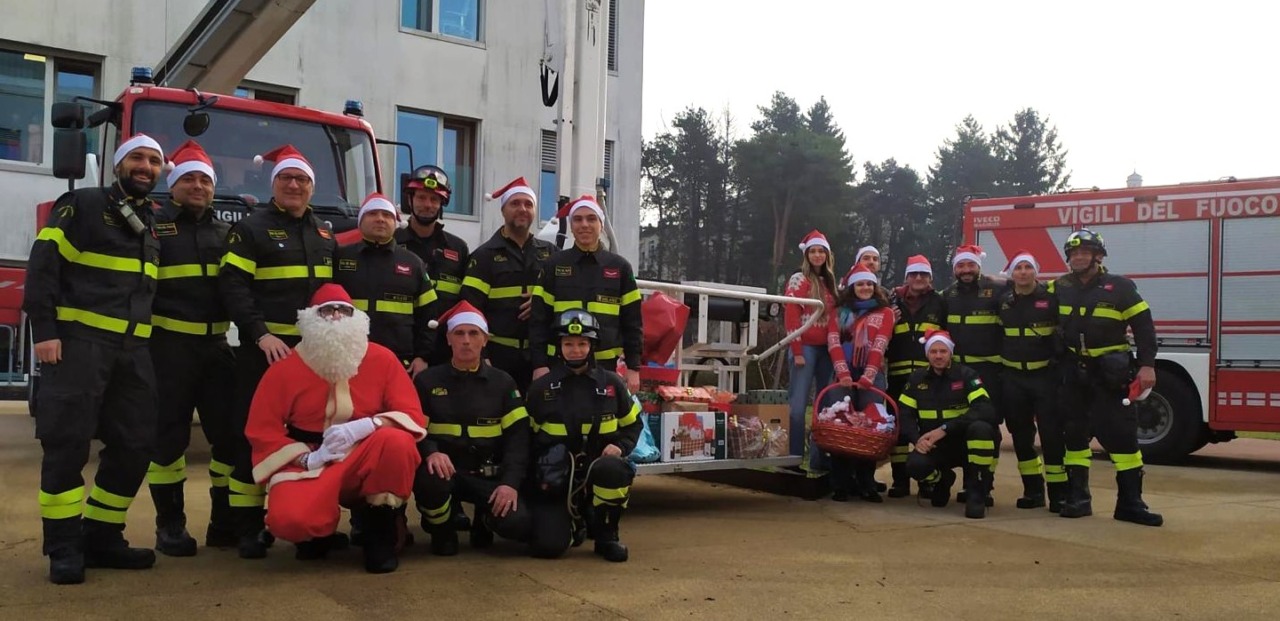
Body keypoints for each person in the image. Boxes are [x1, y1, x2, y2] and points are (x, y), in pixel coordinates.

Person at [24, 134, 165, 584]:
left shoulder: (152, 221)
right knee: (67, 445)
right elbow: (43, 265)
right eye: (137, 158)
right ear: (119, 165)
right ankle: (64, 548)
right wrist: (44, 332)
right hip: (79, 346)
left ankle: (102, 537)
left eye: (155, 161)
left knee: (138, 444)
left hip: (132, 353)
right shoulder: (82, 204)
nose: (146, 166)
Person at [244, 284, 427, 573]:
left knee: (396, 442)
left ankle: (379, 535)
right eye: (327, 310)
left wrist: (368, 425)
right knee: (289, 521)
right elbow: (262, 429)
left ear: (358, 319)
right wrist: (305, 457)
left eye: (344, 310)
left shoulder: (383, 359)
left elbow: (411, 413)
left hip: (365, 453)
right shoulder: (284, 368)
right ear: (310, 320)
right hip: (311, 458)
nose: (337, 316)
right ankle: (317, 534)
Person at [219, 144, 337, 558]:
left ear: (311, 187)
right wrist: (259, 334)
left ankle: (309, 523)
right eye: (286, 178)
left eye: (302, 179)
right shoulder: (250, 229)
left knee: (312, 437)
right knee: (252, 438)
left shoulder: (324, 233)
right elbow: (232, 286)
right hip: (266, 353)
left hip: (312, 357)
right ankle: (247, 529)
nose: (294, 185)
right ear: (275, 185)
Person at [147, 140, 237, 556]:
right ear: (173, 184)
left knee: (228, 439)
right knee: (168, 441)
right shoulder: (151, 226)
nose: (197, 186)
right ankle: (170, 527)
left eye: (204, 179)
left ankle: (224, 523)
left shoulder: (228, 233)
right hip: (169, 349)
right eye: (188, 179)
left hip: (217, 349)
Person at [1050, 229, 1162, 526]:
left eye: (1085, 252)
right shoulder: (1059, 287)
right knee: (1073, 435)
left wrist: (1147, 366)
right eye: (1073, 253)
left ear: (1098, 256)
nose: (1078, 257)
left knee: (1122, 436)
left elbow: (1144, 328)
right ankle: (1078, 499)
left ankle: (1130, 503)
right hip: (1073, 372)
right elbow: (1023, 292)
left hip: (1110, 373)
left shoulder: (1121, 287)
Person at [413, 300, 532, 555]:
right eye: (459, 333)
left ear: (485, 339)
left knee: (518, 525)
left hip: (488, 476)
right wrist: (431, 452)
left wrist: (510, 483)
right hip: (445, 473)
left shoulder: (503, 382)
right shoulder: (427, 381)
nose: (466, 340)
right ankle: (441, 530)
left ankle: (485, 520)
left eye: (473, 333)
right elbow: (415, 431)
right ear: (448, 339)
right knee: (429, 482)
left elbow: (518, 438)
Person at [526, 310, 642, 562]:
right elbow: (527, 436)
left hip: (597, 467)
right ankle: (571, 525)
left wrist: (620, 448)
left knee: (614, 469)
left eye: (582, 343)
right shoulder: (541, 388)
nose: (575, 350)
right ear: (559, 347)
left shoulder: (613, 384)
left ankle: (606, 536)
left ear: (592, 346)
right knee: (548, 547)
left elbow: (633, 425)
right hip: (557, 475)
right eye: (568, 344)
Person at [529, 195, 643, 393]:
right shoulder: (553, 266)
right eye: (578, 219)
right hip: (559, 366)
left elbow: (633, 323)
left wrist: (633, 367)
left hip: (606, 368)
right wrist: (539, 364)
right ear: (571, 226)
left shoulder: (620, 268)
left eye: (591, 219)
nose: (584, 225)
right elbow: (538, 320)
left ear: (601, 224)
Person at [461, 177, 557, 389]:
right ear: (503, 210)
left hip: (543, 359)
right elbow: (470, 309)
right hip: (498, 358)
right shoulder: (483, 256)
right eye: (515, 204)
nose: (522, 209)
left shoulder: (551, 255)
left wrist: (542, 301)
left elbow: (571, 295)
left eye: (528, 204)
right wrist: (482, 356)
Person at [899, 329, 1001, 519]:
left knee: (983, 429)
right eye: (933, 351)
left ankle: (976, 492)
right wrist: (916, 440)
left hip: (965, 443)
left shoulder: (967, 375)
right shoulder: (916, 379)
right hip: (935, 446)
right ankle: (942, 480)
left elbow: (985, 409)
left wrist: (946, 428)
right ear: (927, 354)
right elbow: (905, 415)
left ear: (951, 353)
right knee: (914, 465)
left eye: (943, 351)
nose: (938, 356)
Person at [334, 193, 437, 376]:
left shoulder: (413, 263)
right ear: (360, 221)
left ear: (395, 223)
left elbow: (428, 316)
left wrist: (423, 356)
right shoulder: (340, 258)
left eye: (387, 215)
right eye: (373, 213)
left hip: (399, 360)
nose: (380, 219)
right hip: (347, 357)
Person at [998, 250, 1066, 511]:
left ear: (1036, 271)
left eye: (1028, 267)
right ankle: (1033, 491)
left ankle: (1058, 494)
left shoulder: (1051, 298)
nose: (1023, 272)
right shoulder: (1004, 301)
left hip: (1044, 378)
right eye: (1018, 268)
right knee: (1021, 437)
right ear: (1012, 273)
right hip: (1013, 379)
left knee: (1051, 436)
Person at [940, 244, 1005, 507]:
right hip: (958, 373)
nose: (966, 270)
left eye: (970, 265)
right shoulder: (948, 295)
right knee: (963, 424)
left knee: (988, 427)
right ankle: (969, 483)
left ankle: (984, 483)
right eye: (961, 265)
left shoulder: (999, 288)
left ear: (979, 265)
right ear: (955, 268)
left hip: (990, 372)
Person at [782, 230, 851, 466]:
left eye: (821, 251)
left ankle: (818, 459)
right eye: (813, 251)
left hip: (826, 350)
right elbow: (791, 315)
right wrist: (798, 351)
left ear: (828, 255)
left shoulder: (831, 284)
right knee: (798, 406)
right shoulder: (799, 279)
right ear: (807, 255)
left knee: (824, 406)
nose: (817, 255)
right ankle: (792, 459)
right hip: (805, 349)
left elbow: (834, 318)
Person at [829, 264, 895, 502]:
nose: (865, 288)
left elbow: (881, 343)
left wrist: (868, 374)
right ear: (852, 287)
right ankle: (841, 483)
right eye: (860, 284)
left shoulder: (885, 313)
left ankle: (866, 482)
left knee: (870, 426)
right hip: (842, 373)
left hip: (872, 374)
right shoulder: (838, 313)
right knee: (840, 426)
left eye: (869, 284)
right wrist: (842, 372)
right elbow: (834, 341)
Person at [394, 165, 470, 366]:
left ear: (442, 204)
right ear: (409, 200)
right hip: (400, 351)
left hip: (446, 355)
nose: (427, 204)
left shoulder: (458, 248)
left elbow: (469, 301)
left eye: (434, 199)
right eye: (421, 198)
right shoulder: (392, 244)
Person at [884, 255, 946, 497]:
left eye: (923, 274)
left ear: (930, 278)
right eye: (913, 274)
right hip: (898, 375)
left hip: (928, 377)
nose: (918, 278)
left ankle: (925, 480)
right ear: (906, 277)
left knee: (926, 426)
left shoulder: (939, 302)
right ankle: (900, 481)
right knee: (898, 428)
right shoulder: (892, 301)